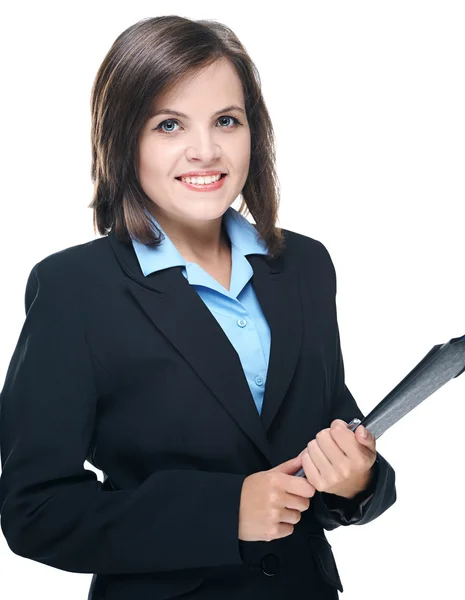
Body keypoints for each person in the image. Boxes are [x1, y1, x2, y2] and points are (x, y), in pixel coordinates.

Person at [0, 15, 396, 600]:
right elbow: (35, 511)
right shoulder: (75, 288)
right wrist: (223, 513)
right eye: (169, 125)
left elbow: (335, 425)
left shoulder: (305, 267)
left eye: (226, 121)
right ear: (123, 139)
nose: (206, 150)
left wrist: (357, 478)